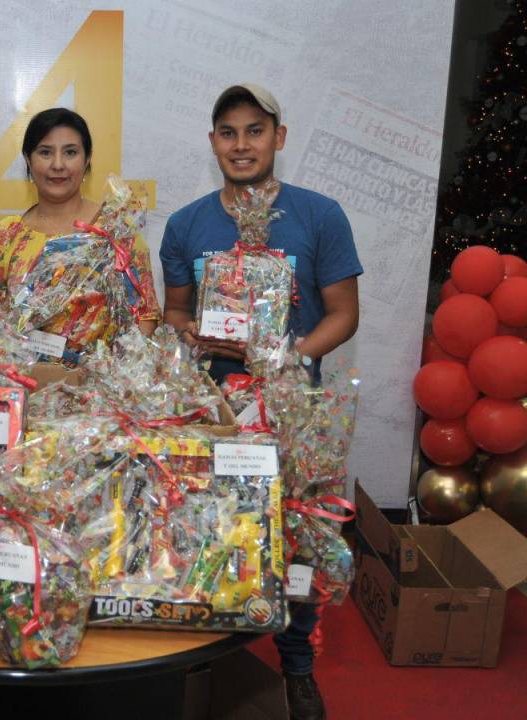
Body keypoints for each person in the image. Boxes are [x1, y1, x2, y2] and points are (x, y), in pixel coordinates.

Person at [160, 84, 362, 720]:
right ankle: (204, 655)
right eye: (228, 131)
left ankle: (297, 666)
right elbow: (174, 310)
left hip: (290, 409)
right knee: (210, 532)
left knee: (295, 534)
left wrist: (288, 357)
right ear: (212, 140)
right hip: (212, 410)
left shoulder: (319, 214)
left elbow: (343, 314)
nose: (241, 144)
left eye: (254, 130)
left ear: (279, 136)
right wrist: (188, 330)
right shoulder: (187, 223)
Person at [0, 107, 161, 360]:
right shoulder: (8, 235)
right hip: (27, 383)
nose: (58, 165)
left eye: (70, 152)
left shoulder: (114, 230)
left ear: (87, 158)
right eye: (45, 152)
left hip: (100, 389)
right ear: (28, 159)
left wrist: (115, 373)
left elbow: (146, 316)